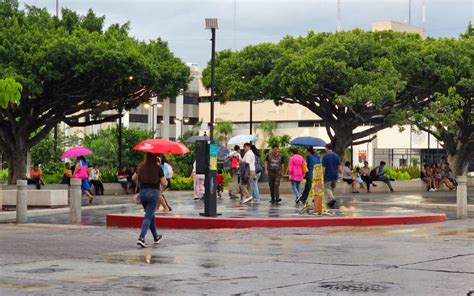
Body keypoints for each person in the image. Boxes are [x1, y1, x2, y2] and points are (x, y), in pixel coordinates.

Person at [133, 152, 167, 248]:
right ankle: (141, 238)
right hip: (153, 194)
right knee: (148, 217)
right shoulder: (158, 168)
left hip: (143, 193)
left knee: (150, 214)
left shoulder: (140, 166)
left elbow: (133, 178)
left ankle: (156, 236)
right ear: (156, 156)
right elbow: (164, 182)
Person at [321, 143, 342, 209]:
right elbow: (339, 166)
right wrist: (341, 174)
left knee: (327, 187)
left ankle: (332, 199)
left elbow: (324, 168)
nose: (325, 149)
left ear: (327, 148)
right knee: (332, 187)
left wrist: (322, 175)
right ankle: (331, 201)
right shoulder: (336, 155)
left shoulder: (325, 156)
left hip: (328, 175)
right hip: (335, 175)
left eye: (325, 148)